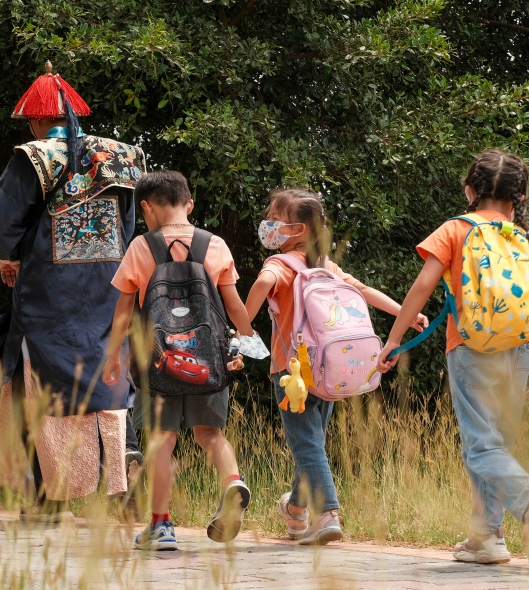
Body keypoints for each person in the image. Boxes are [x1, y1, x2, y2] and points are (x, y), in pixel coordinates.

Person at [0, 61, 147, 518]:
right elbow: (128, 222)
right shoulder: (121, 155)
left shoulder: (33, 156)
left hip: (49, 288)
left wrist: (10, 256)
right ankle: (124, 473)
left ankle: (47, 499)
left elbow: (5, 222)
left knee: (42, 378)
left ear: (38, 119)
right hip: (108, 283)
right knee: (108, 367)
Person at [245, 188, 427, 545]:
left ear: (297, 230)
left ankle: (327, 513)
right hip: (329, 368)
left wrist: (243, 326)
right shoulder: (326, 267)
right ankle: (296, 510)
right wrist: (408, 314)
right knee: (313, 441)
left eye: (275, 219)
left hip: (292, 372)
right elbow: (365, 291)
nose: (268, 225)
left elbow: (263, 283)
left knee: (305, 445)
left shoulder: (279, 264)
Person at [377, 151, 529, 564]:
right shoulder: (521, 236)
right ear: (519, 196)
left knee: (481, 447)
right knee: (498, 442)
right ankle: (487, 537)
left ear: (470, 189)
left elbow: (422, 287)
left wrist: (392, 341)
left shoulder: (455, 229)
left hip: (470, 346)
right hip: (519, 346)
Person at [102, 170, 253, 550]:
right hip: (208, 361)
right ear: (190, 204)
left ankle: (161, 526)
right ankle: (232, 480)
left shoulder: (141, 247)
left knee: (161, 441)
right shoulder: (214, 244)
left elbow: (123, 313)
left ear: (147, 207)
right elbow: (234, 307)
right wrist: (243, 346)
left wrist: (112, 360)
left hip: (157, 363)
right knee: (210, 435)